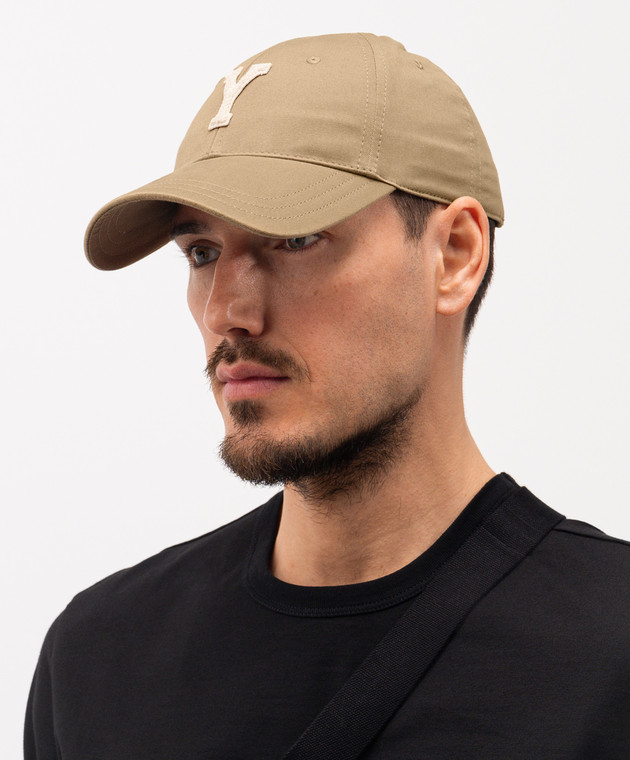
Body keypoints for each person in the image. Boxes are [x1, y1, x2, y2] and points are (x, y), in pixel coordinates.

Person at [25, 33, 630, 759]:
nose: (227, 311)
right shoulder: (99, 660)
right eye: (202, 252)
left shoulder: (608, 655)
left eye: (295, 239)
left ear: (455, 255)